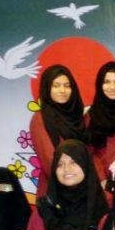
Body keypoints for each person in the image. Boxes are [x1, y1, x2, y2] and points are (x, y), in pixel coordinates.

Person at [31, 65, 89, 196]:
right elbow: (50, 160)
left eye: (67, 85)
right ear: (47, 89)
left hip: (86, 188)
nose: (62, 90)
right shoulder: (41, 118)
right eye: (56, 85)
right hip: (58, 189)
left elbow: (90, 152)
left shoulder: (79, 117)